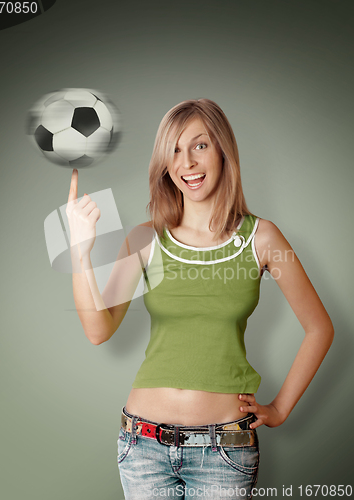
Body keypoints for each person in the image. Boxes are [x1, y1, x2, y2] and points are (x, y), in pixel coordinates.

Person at [66, 99, 334, 500]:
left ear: (223, 151)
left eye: (200, 145)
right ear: (163, 164)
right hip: (142, 447)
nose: (187, 162)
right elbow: (97, 330)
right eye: (174, 149)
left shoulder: (263, 239)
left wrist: (279, 409)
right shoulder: (144, 239)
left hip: (223, 452)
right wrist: (79, 251)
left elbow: (319, 328)